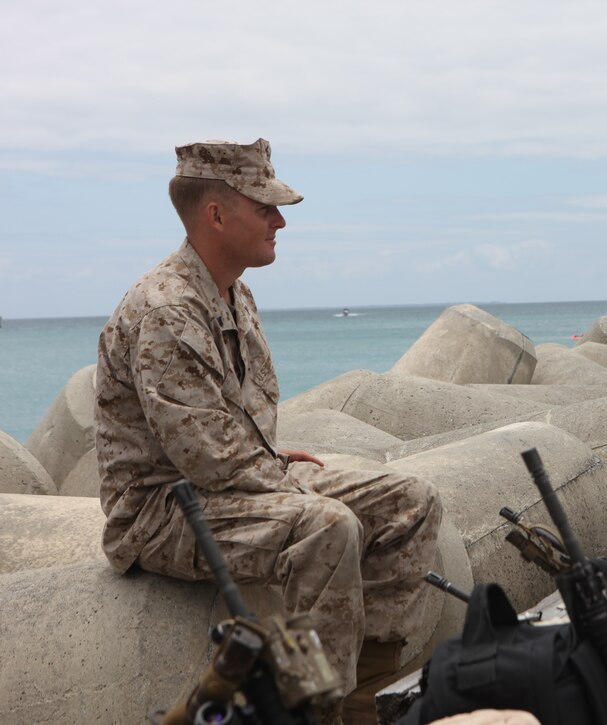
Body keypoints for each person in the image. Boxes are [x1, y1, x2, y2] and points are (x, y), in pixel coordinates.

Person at [94, 138, 442, 723]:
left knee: (411, 502)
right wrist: (280, 476)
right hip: (160, 512)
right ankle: (318, 715)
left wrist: (270, 459)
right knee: (325, 527)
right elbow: (210, 461)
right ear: (216, 214)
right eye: (266, 208)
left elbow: (217, 431)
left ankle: (359, 703)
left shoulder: (234, 294)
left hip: (222, 487)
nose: (280, 221)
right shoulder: (167, 309)